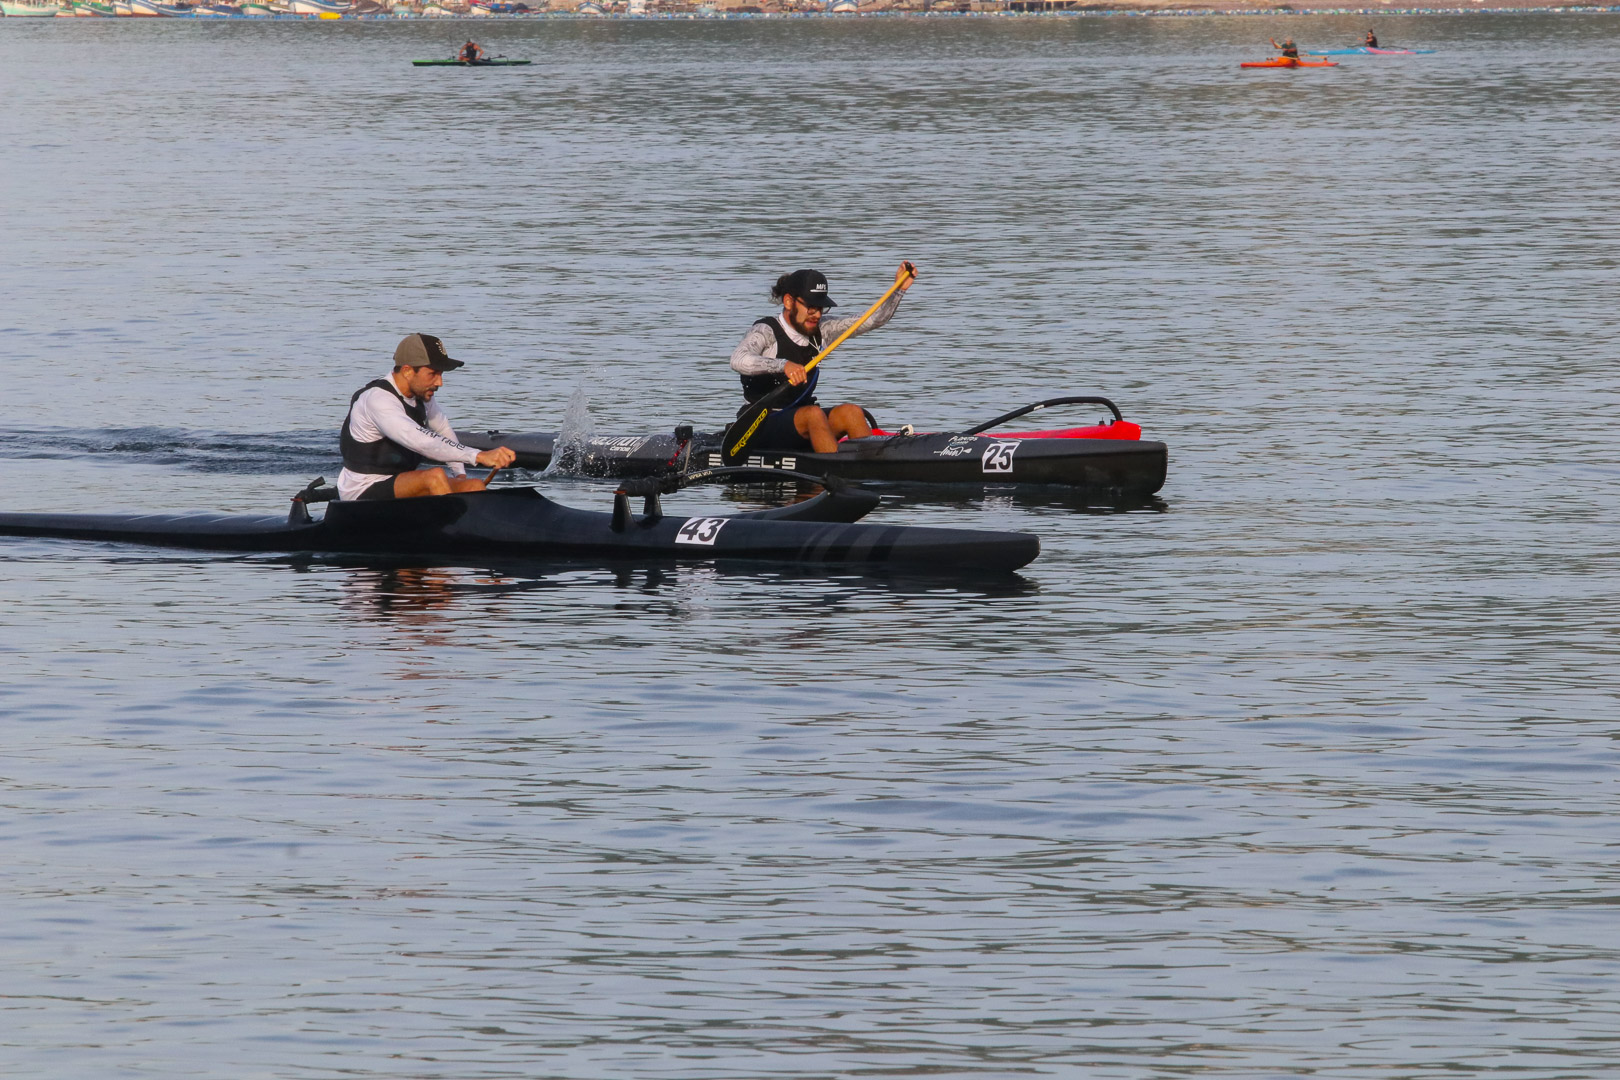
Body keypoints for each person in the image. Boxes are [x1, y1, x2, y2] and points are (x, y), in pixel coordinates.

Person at [728, 262, 917, 454]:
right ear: (788, 302)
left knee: (851, 412)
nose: (816, 315)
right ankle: (841, 470)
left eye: (820, 308)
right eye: (810, 307)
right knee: (813, 414)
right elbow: (738, 359)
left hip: (801, 421)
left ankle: (871, 469)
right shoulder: (766, 331)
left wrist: (898, 291)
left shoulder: (823, 330)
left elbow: (872, 319)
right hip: (758, 425)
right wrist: (783, 365)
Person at [337, 333, 515, 502]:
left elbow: (442, 429)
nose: (440, 382)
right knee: (434, 477)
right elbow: (421, 440)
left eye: (441, 374)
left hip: (399, 482)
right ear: (407, 371)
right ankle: (451, 530)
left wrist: (459, 473)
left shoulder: (421, 395)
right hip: (361, 490)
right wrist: (478, 456)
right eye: (433, 374)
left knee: (473, 486)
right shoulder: (377, 400)